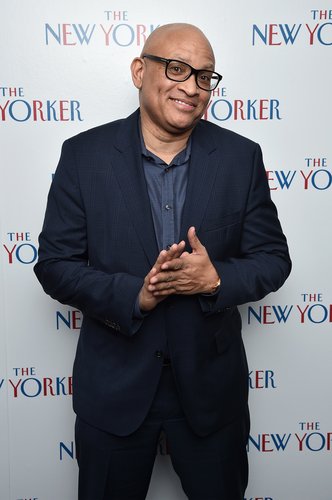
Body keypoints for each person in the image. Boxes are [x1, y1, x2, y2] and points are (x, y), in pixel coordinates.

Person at [34, 22, 291, 500]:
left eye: (205, 76)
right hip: (114, 390)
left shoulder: (241, 158)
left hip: (211, 396)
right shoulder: (83, 156)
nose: (191, 87)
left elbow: (274, 259)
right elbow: (54, 265)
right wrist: (138, 294)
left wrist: (215, 281)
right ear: (139, 70)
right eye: (177, 68)